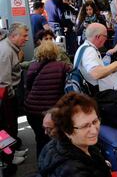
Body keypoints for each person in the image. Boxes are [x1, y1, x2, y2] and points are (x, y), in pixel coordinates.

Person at [37, 92, 111, 177]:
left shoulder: (58, 145)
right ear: (67, 130)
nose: (94, 131)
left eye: (95, 121)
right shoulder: (73, 170)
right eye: (84, 126)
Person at [25, 41, 71, 157]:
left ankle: (41, 165)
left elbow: (28, 86)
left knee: (40, 139)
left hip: (32, 110)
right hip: (51, 111)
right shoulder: (63, 66)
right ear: (56, 52)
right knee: (55, 139)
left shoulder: (33, 66)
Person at [0, 23, 29, 171]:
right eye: (24, 35)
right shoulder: (6, 51)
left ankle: (11, 154)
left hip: (8, 95)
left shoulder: (10, 48)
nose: (27, 38)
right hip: (5, 97)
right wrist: (10, 99)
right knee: (5, 129)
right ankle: (8, 158)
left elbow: (14, 68)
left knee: (10, 128)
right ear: (13, 36)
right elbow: (4, 82)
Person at [75, 23, 117, 94]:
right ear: (98, 37)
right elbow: (96, 74)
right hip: (95, 94)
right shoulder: (89, 51)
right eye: (105, 36)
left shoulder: (84, 47)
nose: (106, 39)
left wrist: (112, 69)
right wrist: (116, 64)